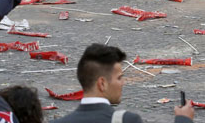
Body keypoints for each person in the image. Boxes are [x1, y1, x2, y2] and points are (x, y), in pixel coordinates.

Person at [51, 43, 194, 123]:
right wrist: (183, 120)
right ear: (102, 84)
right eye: (119, 78)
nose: (123, 83)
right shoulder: (126, 121)